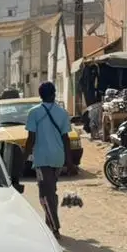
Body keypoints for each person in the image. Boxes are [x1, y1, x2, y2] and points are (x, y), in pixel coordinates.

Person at [24, 81, 75, 239]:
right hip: (58, 157)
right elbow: (66, 139)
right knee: (50, 191)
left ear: (40, 95)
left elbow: (30, 139)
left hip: (42, 158)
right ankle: (50, 224)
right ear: (54, 94)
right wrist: (70, 162)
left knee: (44, 194)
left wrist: (23, 158)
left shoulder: (34, 113)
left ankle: (54, 227)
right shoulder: (62, 113)